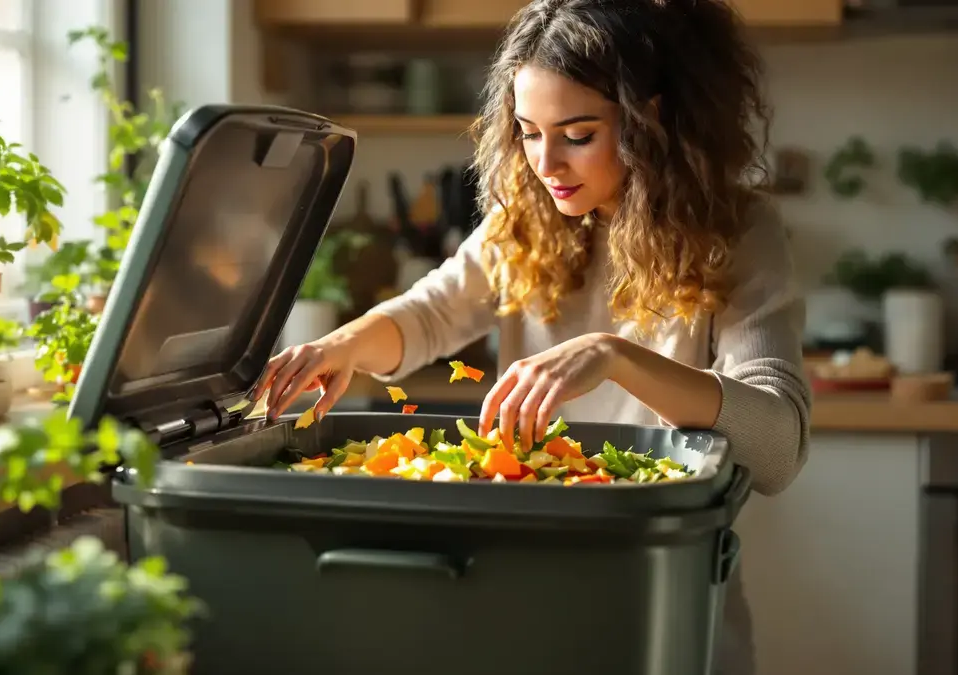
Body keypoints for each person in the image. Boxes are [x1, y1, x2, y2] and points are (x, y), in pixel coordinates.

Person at [255, 1, 811, 672]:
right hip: (526, 580)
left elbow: (778, 448)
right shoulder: (527, 222)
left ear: (651, 121)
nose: (547, 163)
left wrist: (614, 356)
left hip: (667, 585)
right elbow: (427, 315)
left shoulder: (740, 232)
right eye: (528, 132)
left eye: (577, 134)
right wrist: (342, 345)